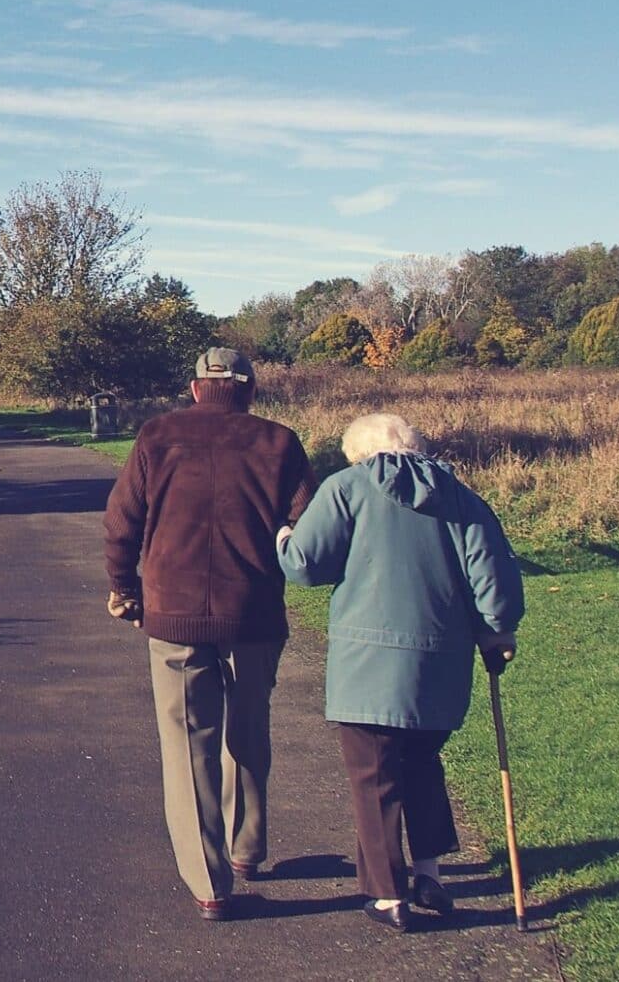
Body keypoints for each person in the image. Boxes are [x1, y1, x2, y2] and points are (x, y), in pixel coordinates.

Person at [275, 413, 524, 932]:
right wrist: (498, 631)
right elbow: (494, 583)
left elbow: (304, 564)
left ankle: (388, 895)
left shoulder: (347, 488)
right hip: (441, 663)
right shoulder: (462, 497)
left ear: (359, 454)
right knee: (421, 762)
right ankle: (428, 873)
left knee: (374, 775)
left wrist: (283, 537)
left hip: (367, 665)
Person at [103, 347, 317, 921]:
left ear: (196, 388)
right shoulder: (280, 442)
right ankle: (247, 848)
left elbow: (121, 520)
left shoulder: (157, 436)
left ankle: (210, 883)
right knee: (249, 729)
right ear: (249, 389)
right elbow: (306, 527)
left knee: (188, 746)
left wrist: (124, 589)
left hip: (172, 614)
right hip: (254, 614)